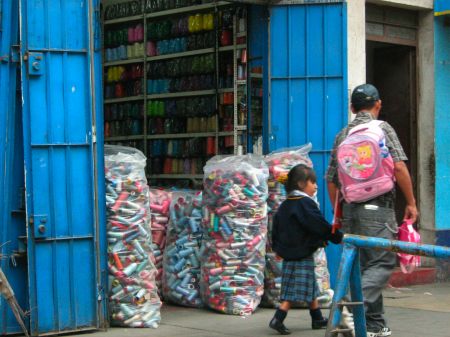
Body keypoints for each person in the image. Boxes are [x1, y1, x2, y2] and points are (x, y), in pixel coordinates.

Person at [326, 83, 419, 337]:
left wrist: (340, 214)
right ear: (378, 104)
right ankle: (346, 304)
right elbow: (398, 168)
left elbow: (330, 180)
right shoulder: (382, 128)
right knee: (382, 261)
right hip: (379, 209)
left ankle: (374, 325)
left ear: (352, 108)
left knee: (366, 267)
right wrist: (410, 202)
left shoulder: (343, 134)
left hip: (352, 210)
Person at [269, 164, 343, 335]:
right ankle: (278, 317)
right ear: (302, 184)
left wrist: (278, 248)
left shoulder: (285, 205)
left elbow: (276, 229)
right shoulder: (305, 203)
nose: (316, 186)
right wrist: (337, 237)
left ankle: (316, 317)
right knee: (295, 287)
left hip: (289, 253)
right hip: (302, 252)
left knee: (309, 284)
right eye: (313, 182)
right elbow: (318, 225)